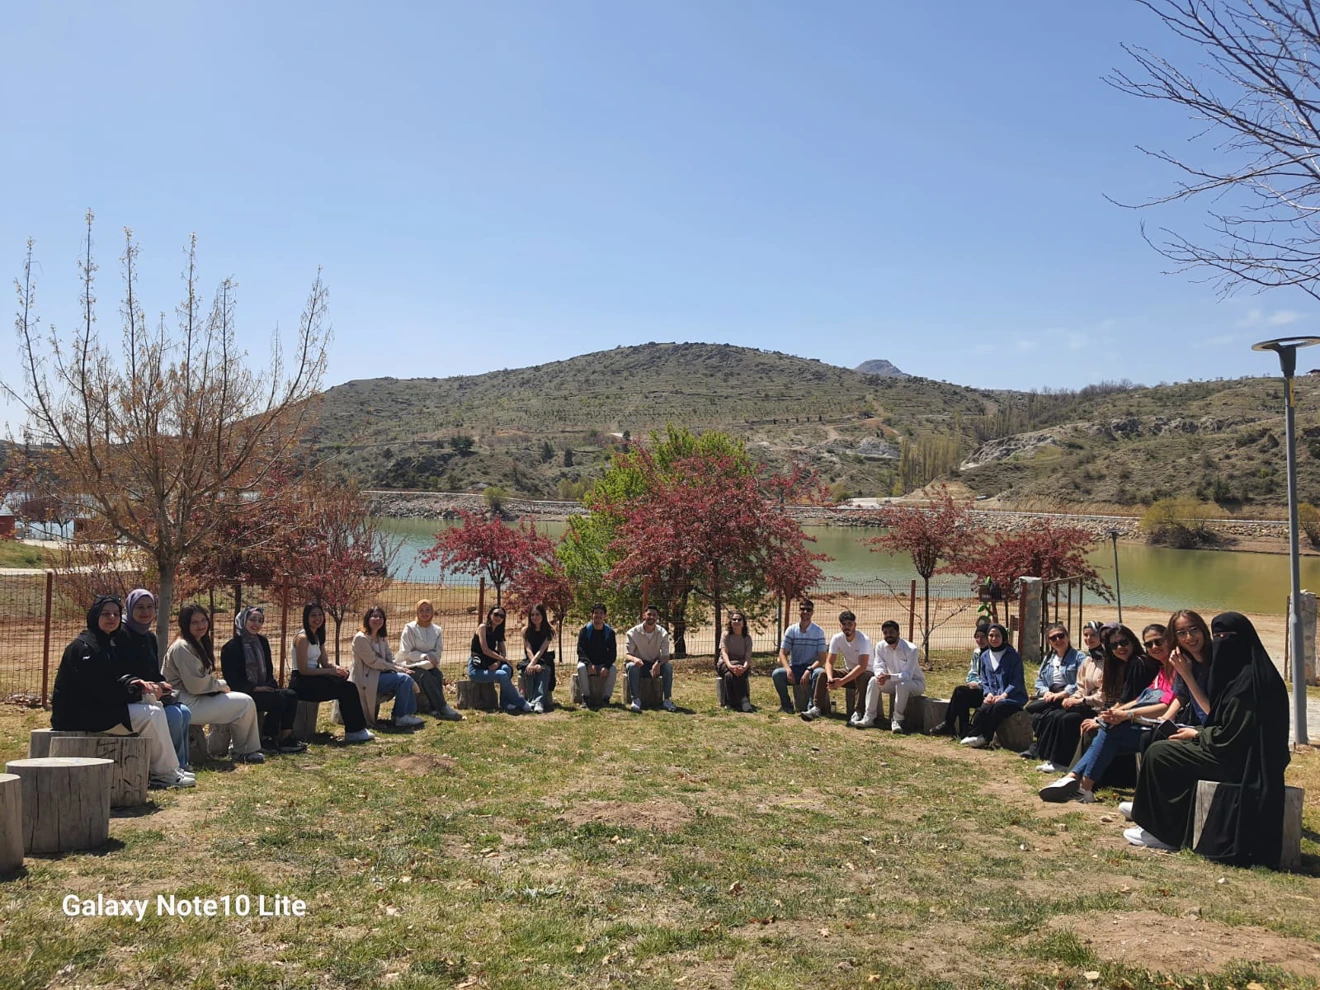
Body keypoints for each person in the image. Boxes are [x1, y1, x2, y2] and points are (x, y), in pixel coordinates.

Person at [1124, 612, 1290, 864]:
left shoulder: (1249, 684)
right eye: (1218, 637)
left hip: (1247, 764)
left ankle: (1165, 834)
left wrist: (1197, 734)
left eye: (1228, 637)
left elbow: (1231, 737)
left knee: (1162, 754)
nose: (1221, 642)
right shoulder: (1240, 673)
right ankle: (1152, 816)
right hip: (1230, 750)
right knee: (1161, 744)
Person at [51, 595, 194, 789]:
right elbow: (101, 691)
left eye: (116, 614)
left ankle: (167, 769)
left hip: (98, 708)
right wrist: (137, 691)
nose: (112, 617)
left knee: (153, 705)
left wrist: (137, 682)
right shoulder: (87, 647)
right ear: (94, 616)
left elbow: (114, 679)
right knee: (151, 714)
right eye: (106, 614)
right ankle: (164, 773)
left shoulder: (105, 642)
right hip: (78, 715)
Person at [1039, 623, 1177, 803]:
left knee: (1103, 728)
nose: (1154, 647)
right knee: (1098, 725)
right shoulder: (1160, 670)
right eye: (1149, 645)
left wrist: (1120, 715)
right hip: (1143, 721)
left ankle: (1077, 781)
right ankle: (1077, 781)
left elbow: (1163, 706)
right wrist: (1110, 715)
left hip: (1159, 726)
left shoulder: (1146, 664)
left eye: (1158, 642)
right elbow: (1136, 699)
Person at [162, 603, 265, 764]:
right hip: (184, 702)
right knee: (245, 703)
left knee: (244, 701)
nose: (201, 625)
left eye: (203, 620)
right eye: (194, 622)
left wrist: (217, 687)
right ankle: (244, 751)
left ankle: (244, 750)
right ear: (184, 624)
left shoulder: (197, 642)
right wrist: (221, 685)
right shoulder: (182, 646)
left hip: (193, 698)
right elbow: (195, 685)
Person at [120, 588, 192, 772]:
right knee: (174, 716)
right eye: (140, 607)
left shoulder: (149, 637)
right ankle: (168, 768)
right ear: (129, 608)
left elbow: (153, 672)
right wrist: (151, 686)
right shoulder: (120, 634)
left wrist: (162, 684)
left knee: (184, 711)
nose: (145, 612)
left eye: (150, 607)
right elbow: (124, 673)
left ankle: (181, 763)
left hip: (153, 693)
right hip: (134, 695)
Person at [220, 606, 306, 754]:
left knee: (291, 695)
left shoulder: (262, 642)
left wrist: (269, 685)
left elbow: (269, 671)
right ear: (242, 621)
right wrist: (255, 688)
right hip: (244, 692)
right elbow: (232, 680)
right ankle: (267, 738)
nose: (256, 624)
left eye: (260, 620)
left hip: (263, 689)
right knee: (277, 699)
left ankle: (285, 738)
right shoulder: (231, 647)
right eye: (252, 619)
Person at [289, 603, 373, 743]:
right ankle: (354, 731)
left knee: (347, 685)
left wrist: (337, 669)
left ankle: (357, 729)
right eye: (313, 615)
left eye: (320, 615)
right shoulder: (302, 638)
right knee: (346, 689)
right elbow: (304, 669)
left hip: (314, 677)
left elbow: (325, 663)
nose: (318, 618)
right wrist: (330, 671)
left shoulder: (317, 637)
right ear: (306, 618)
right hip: (302, 682)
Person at [1031, 620, 1106, 771]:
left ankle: (1062, 762)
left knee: (1065, 718)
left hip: (1099, 707)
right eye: (1086, 635)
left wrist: (1075, 698)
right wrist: (1074, 698)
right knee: (1054, 715)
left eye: (1093, 635)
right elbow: (1080, 686)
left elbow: (1103, 695)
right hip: (1083, 702)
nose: (1088, 639)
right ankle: (1048, 756)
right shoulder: (1089, 660)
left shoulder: (1105, 661)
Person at [352, 606, 426, 728]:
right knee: (403, 679)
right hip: (366, 678)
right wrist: (395, 669)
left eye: (380, 617)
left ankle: (404, 714)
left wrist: (400, 667)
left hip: (379, 675)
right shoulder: (361, 638)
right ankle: (401, 716)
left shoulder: (382, 638)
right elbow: (373, 662)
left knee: (407, 675)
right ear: (367, 619)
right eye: (374, 616)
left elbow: (389, 658)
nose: (377, 619)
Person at [1020, 624, 1085, 760]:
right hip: (1052, 696)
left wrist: (1063, 694)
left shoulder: (1079, 657)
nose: (1058, 640)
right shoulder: (1048, 658)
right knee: (1034, 712)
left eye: (1061, 636)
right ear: (1049, 642)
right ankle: (1040, 747)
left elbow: (1082, 682)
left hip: (1070, 696)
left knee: (1050, 715)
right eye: (1053, 638)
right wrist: (1045, 692)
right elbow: (1040, 680)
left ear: (1067, 637)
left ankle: (1040, 750)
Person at [960, 623, 1027, 748]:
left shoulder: (1013, 656)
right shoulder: (985, 656)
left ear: (1004, 638)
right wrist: (988, 693)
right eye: (991, 635)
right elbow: (984, 679)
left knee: (996, 708)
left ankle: (986, 737)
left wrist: (1003, 695)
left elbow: (1016, 681)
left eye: (997, 636)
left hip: (1012, 698)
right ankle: (974, 734)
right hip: (993, 696)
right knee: (983, 709)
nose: (994, 639)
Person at [398, 600, 463, 721]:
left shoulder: (437, 630)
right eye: (421, 610)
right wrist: (423, 657)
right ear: (416, 612)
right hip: (410, 665)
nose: (424, 613)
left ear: (432, 612)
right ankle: (443, 707)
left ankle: (433, 708)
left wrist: (431, 658)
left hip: (429, 665)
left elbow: (437, 650)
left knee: (437, 674)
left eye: (428, 610)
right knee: (425, 677)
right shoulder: (410, 629)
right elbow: (406, 652)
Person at [859, 619, 925, 733]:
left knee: (902, 685)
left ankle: (897, 720)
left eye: (891, 632)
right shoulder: (880, 646)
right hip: (893, 681)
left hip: (915, 683)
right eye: (885, 633)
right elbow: (878, 665)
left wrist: (889, 677)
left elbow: (908, 675)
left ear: (898, 633)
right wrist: (880, 676)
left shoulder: (911, 649)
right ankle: (869, 717)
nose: (888, 635)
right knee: (873, 680)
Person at [468, 605, 534, 714]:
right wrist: (503, 660)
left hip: (490, 664)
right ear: (490, 615)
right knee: (502, 674)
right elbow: (485, 650)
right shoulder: (482, 627)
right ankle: (522, 703)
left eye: (502, 616)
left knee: (506, 669)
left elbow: (503, 651)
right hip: (477, 668)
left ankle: (505, 703)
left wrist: (499, 662)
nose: (498, 617)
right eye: (496, 614)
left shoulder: (498, 631)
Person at [929, 623, 989, 738]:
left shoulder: (992, 654)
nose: (980, 640)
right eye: (977, 636)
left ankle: (949, 724)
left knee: (960, 692)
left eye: (983, 637)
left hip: (988, 692)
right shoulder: (977, 652)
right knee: (962, 695)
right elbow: (973, 671)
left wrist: (979, 685)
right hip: (977, 688)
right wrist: (972, 682)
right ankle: (963, 729)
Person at [772, 600, 828, 717]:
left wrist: (809, 670)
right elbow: (782, 653)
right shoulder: (791, 630)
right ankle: (786, 705)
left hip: (812, 669)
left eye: (808, 610)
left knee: (820, 673)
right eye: (802, 609)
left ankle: (812, 707)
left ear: (812, 612)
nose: (805, 612)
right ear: (798, 611)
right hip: (795, 668)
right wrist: (788, 669)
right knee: (777, 674)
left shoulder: (818, 632)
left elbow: (822, 658)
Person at [819, 611, 870, 725]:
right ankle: (817, 707)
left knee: (861, 676)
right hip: (849, 671)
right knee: (822, 674)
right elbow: (829, 662)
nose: (847, 627)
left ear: (855, 625)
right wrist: (830, 678)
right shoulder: (837, 638)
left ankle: (858, 712)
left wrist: (841, 682)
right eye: (844, 624)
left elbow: (862, 666)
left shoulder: (863, 640)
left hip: (867, 673)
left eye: (850, 624)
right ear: (840, 626)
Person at [625, 606, 676, 713]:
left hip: (655, 665)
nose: (651, 617)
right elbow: (628, 655)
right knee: (631, 666)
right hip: (640, 664)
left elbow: (666, 656)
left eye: (654, 615)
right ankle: (636, 700)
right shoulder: (633, 632)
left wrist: (658, 663)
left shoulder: (663, 633)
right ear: (644, 615)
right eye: (649, 614)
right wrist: (635, 659)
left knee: (667, 667)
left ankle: (667, 700)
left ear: (657, 617)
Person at [576, 603, 618, 708]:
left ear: (605, 616)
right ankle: (586, 697)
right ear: (592, 615)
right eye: (596, 613)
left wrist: (607, 666)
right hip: (588, 664)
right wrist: (589, 664)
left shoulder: (609, 632)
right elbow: (580, 650)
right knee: (580, 667)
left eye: (601, 613)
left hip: (602, 664)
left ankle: (606, 698)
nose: (598, 616)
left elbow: (612, 652)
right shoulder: (585, 631)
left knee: (613, 669)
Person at [520, 603, 557, 713]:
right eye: (532, 615)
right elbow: (528, 648)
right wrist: (532, 663)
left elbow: (542, 649)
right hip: (530, 658)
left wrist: (535, 663)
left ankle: (538, 702)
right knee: (530, 670)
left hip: (543, 658)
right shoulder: (525, 630)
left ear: (543, 616)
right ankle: (532, 701)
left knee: (543, 670)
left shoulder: (550, 631)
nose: (534, 617)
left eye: (537, 614)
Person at [717, 611, 754, 712]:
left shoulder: (747, 638)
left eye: (739, 619)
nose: (736, 621)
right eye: (734, 619)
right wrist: (731, 666)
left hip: (741, 666)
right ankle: (744, 700)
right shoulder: (726, 635)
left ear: (743, 623)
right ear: (730, 622)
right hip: (725, 664)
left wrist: (744, 668)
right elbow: (724, 653)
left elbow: (748, 658)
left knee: (730, 675)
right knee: (732, 670)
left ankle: (729, 702)